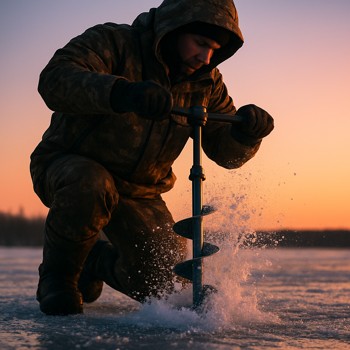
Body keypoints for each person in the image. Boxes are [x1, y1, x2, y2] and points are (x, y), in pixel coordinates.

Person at [30, 0, 274, 316]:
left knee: (169, 287)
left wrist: (246, 135)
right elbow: (55, 80)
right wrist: (122, 93)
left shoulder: (207, 83)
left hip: (141, 193)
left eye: (214, 50)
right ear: (174, 28)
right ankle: (58, 279)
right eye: (200, 43)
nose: (206, 57)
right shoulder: (114, 42)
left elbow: (226, 153)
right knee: (90, 183)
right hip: (69, 166)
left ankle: (95, 260)